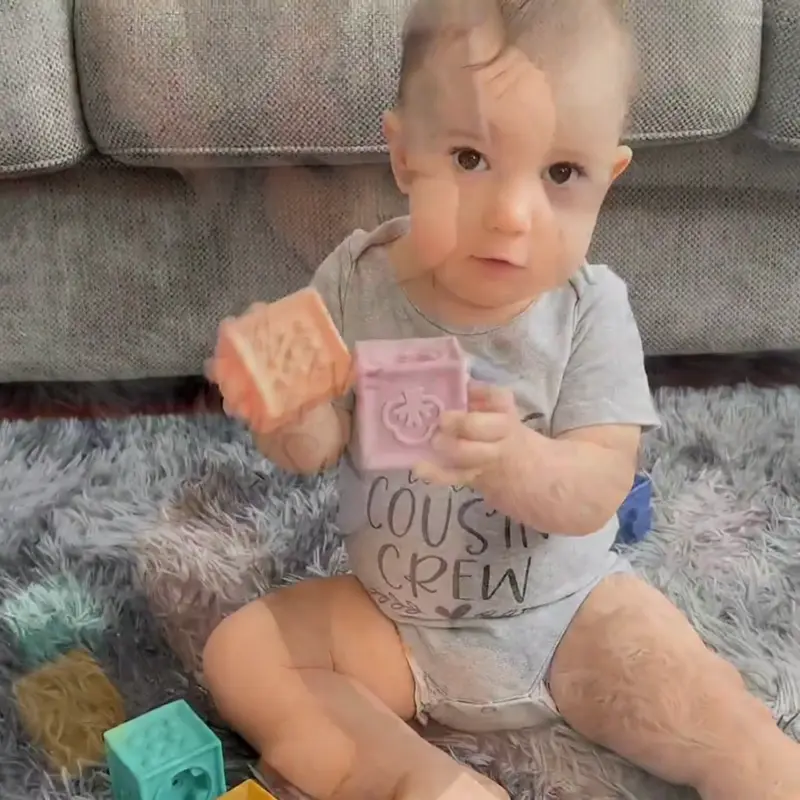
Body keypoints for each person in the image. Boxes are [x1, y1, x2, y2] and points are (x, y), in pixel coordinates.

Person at [203, 1, 800, 798]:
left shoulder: (588, 311)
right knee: (244, 653)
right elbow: (313, 450)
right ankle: (424, 782)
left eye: (561, 174)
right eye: (471, 158)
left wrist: (514, 460)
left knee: (703, 704)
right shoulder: (355, 282)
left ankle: (765, 773)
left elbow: (599, 486)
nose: (512, 216)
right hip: (393, 622)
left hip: (567, 620)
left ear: (608, 177)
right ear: (404, 156)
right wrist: (285, 409)